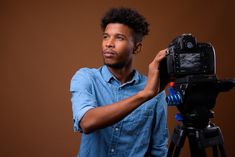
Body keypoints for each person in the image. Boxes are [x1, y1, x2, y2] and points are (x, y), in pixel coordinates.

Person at [70, 7, 168, 157]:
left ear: (136, 47)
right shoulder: (85, 77)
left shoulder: (155, 90)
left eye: (119, 38)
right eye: (105, 37)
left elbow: (158, 149)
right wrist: (144, 95)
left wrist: (149, 92)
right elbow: (86, 122)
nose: (109, 43)